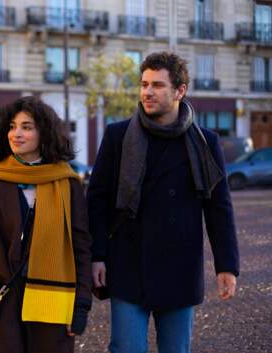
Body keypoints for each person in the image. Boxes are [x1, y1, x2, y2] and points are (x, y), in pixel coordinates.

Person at [87, 52, 240, 353]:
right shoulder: (118, 135)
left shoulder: (204, 141)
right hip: (129, 265)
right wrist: (97, 255)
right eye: (144, 84)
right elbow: (97, 200)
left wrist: (227, 266)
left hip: (179, 269)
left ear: (180, 91)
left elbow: (218, 208)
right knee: (126, 348)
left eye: (157, 85)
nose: (147, 92)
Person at [0, 96, 92, 353]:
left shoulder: (67, 182)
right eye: (12, 126)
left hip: (53, 302)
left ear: (44, 133)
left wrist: (81, 305)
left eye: (26, 127)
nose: (16, 134)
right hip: (1, 299)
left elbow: (80, 247)